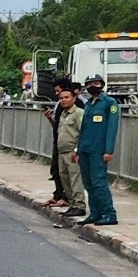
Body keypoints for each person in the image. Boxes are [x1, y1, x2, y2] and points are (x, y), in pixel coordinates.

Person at [78, 75, 121, 224]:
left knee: (99, 182)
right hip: (85, 149)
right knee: (88, 182)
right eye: (89, 83)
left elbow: (112, 128)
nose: (92, 86)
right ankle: (95, 213)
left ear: (101, 85)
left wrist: (109, 150)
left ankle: (109, 213)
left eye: (95, 83)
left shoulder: (110, 103)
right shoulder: (89, 104)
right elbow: (83, 128)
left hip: (99, 150)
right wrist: (79, 150)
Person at [51, 84, 86, 217]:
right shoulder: (63, 114)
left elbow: (83, 132)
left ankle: (79, 205)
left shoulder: (78, 113)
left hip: (72, 151)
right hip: (62, 152)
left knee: (75, 179)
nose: (64, 100)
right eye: (61, 98)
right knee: (65, 179)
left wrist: (78, 150)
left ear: (73, 98)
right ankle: (72, 204)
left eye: (67, 97)